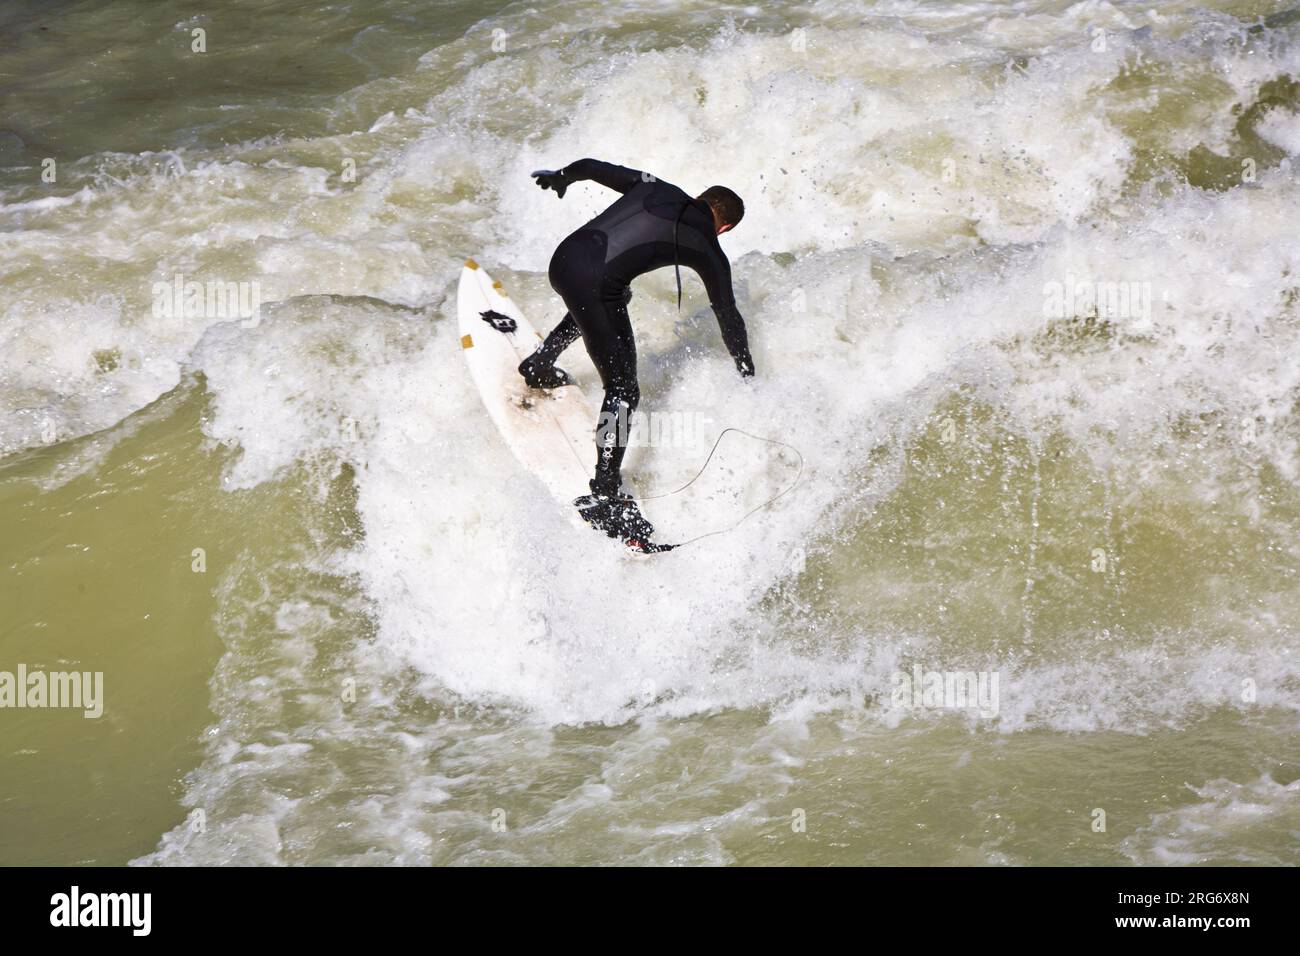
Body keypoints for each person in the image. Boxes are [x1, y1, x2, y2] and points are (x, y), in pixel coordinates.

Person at [525, 158, 753, 540]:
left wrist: (560, 178)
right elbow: (728, 316)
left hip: (563, 259)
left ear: (698, 197)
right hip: (592, 285)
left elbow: (594, 167)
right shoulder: (708, 247)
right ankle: (605, 492)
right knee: (624, 390)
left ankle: (541, 363)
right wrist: (745, 368)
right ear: (725, 227)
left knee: (614, 292)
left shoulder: (657, 186)